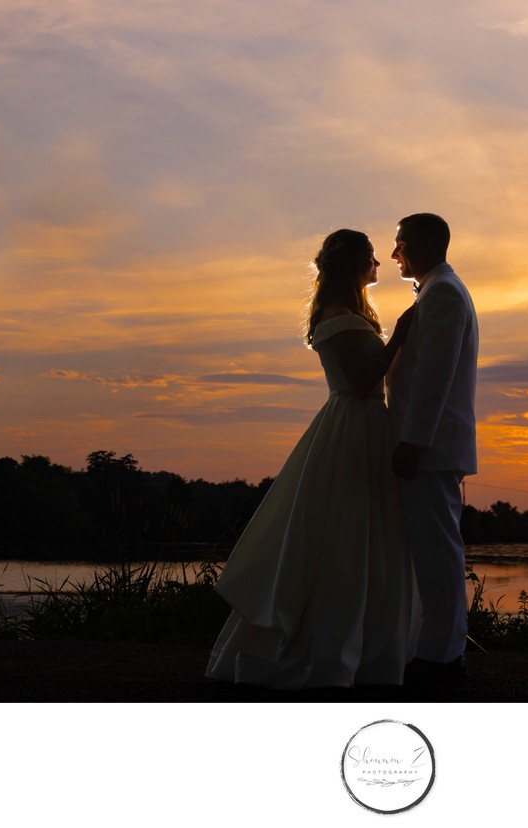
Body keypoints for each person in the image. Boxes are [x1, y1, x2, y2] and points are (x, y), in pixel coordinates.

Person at [205, 229, 419, 689]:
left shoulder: (347, 312)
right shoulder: (338, 316)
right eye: (370, 256)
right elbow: (363, 383)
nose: (379, 262)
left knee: (365, 531)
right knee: (346, 531)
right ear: (353, 265)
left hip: (362, 427)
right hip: (353, 427)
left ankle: (369, 647)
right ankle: (332, 653)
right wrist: (400, 335)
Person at [387, 213, 479, 684]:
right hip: (431, 448)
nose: (393, 253)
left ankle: (443, 658)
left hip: (431, 449)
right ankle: (437, 649)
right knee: (433, 551)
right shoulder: (439, 289)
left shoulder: (443, 292)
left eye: (400, 242)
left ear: (422, 243)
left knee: (440, 553)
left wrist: (411, 442)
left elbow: (434, 377)